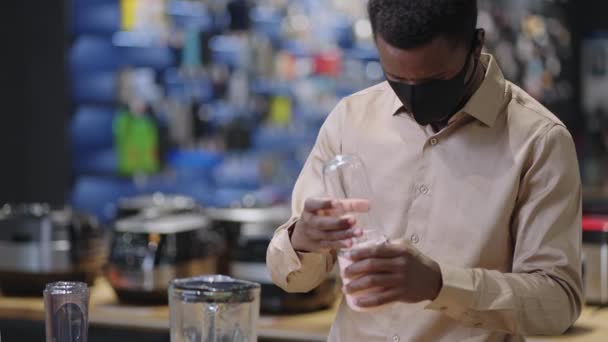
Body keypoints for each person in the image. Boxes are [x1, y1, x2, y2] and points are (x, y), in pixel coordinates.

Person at [266, 0, 583, 341]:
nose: (415, 95)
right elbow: (293, 278)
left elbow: (557, 303)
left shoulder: (538, 141)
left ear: (476, 44)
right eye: (396, 78)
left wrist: (439, 284)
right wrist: (303, 240)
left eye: (436, 79)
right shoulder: (350, 120)